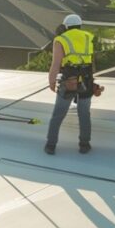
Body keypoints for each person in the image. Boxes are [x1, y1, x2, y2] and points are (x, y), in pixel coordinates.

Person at [45, 14, 96, 155]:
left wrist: (52, 81)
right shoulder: (88, 37)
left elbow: (56, 64)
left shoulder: (61, 39)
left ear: (65, 26)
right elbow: (90, 62)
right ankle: (84, 144)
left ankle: (51, 145)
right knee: (84, 113)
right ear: (80, 25)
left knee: (58, 114)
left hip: (69, 81)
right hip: (86, 80)